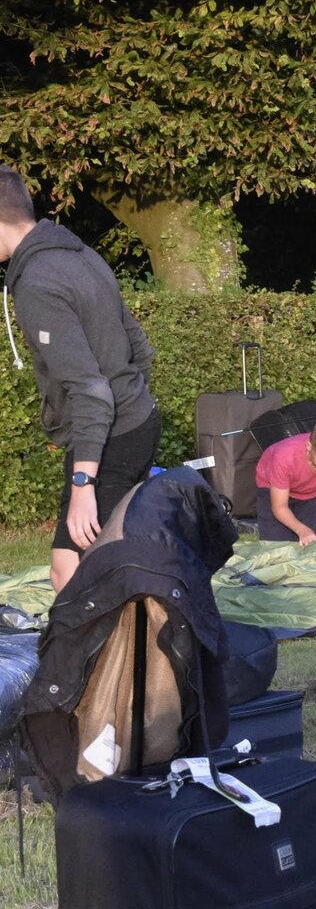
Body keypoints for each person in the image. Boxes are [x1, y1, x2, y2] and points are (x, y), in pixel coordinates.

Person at [0, 167, 161, 593]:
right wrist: (134, 402)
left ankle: (106, 642)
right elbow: (138, 344)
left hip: (110, 437)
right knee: (114, 556)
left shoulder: (37, 282)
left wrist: (83, 484)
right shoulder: (82, 254)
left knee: (70, 570)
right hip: (139, 421)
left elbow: (90, 390)